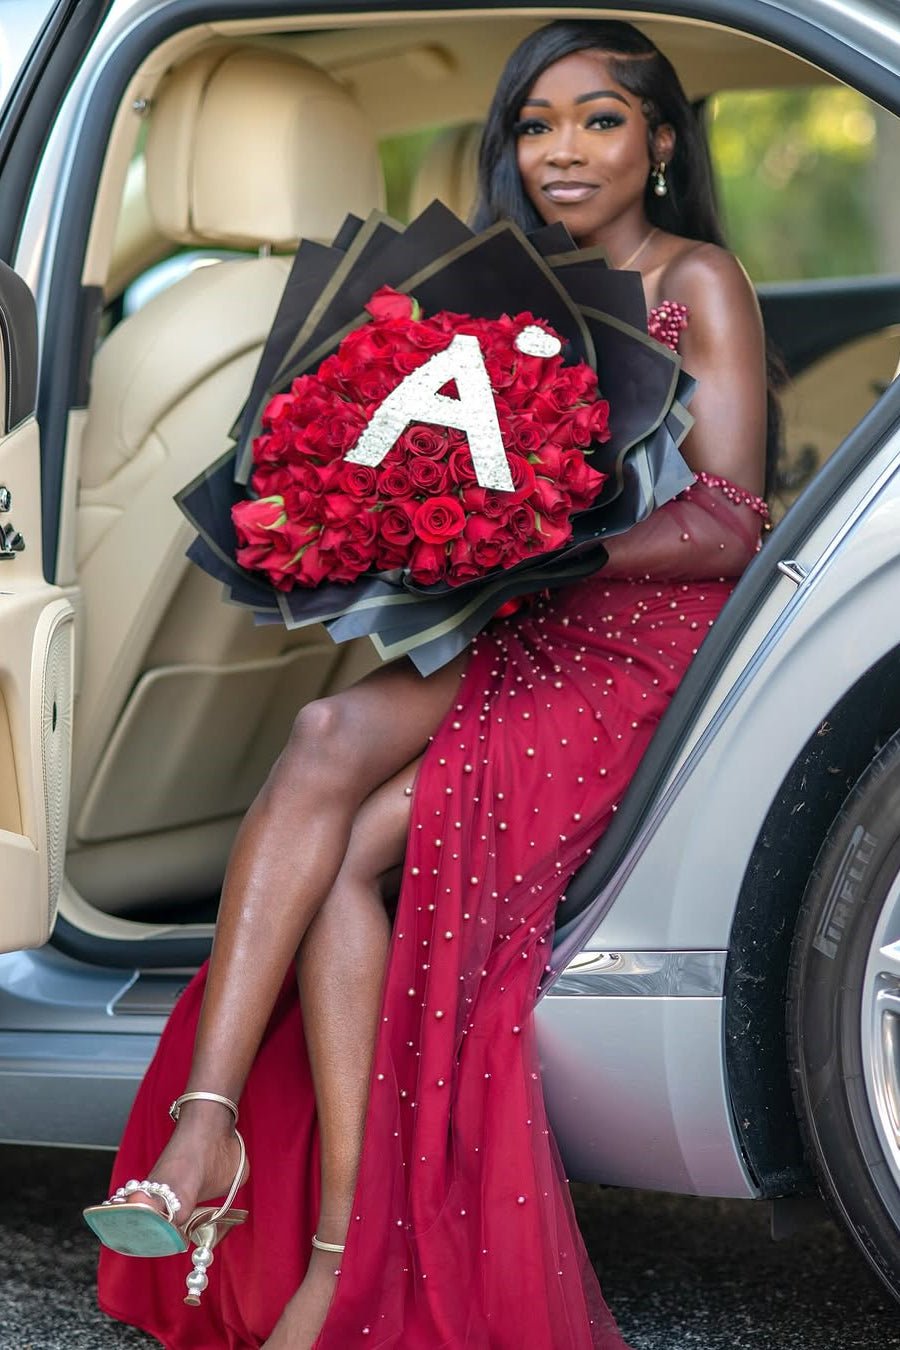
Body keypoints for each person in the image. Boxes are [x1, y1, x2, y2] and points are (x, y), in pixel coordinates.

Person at [88, 18, 773, 1350]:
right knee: (326, 725)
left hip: (639, 653)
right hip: (527, 632)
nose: (564, 150)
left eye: (600, 120)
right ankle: (205, 1131)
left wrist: (555, 537)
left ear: (662, 142)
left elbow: (734, 520)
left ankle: (330, 1253)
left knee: (354, 849)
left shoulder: (700, 275)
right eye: (536, 124)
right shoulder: (505, 288)